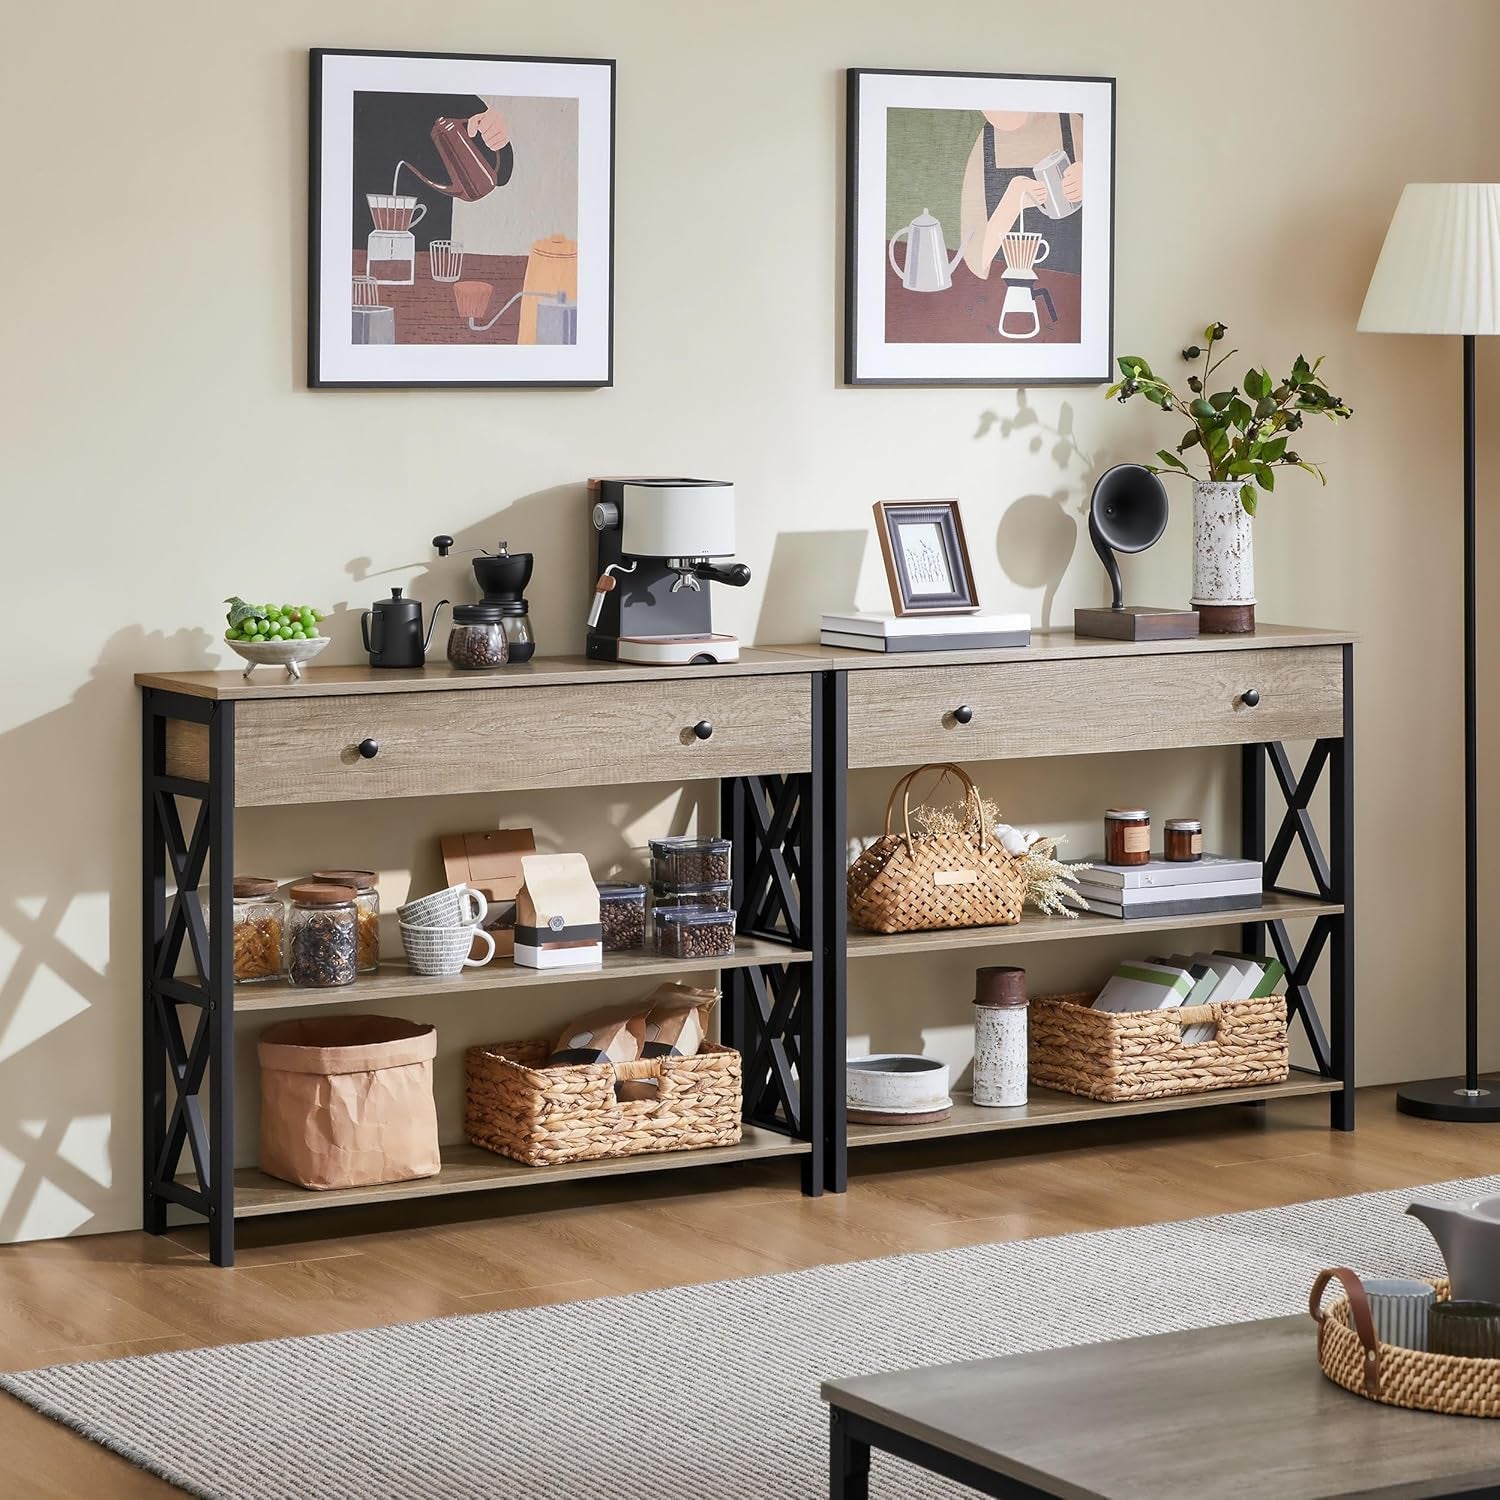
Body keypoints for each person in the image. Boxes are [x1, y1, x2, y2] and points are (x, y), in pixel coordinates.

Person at [351, 94, 515, 251]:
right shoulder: (353, 95)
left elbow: (503, 172)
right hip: (353, 251)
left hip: (429, 254)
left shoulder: (448, 94)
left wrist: (493, 131)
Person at [959, 111, 1084, 280]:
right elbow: (975, 261)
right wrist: (1011, 203)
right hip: (1006, 286)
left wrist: (1091, 179)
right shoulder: (986, 142)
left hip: (1072, 283)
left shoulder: (1071, 123)